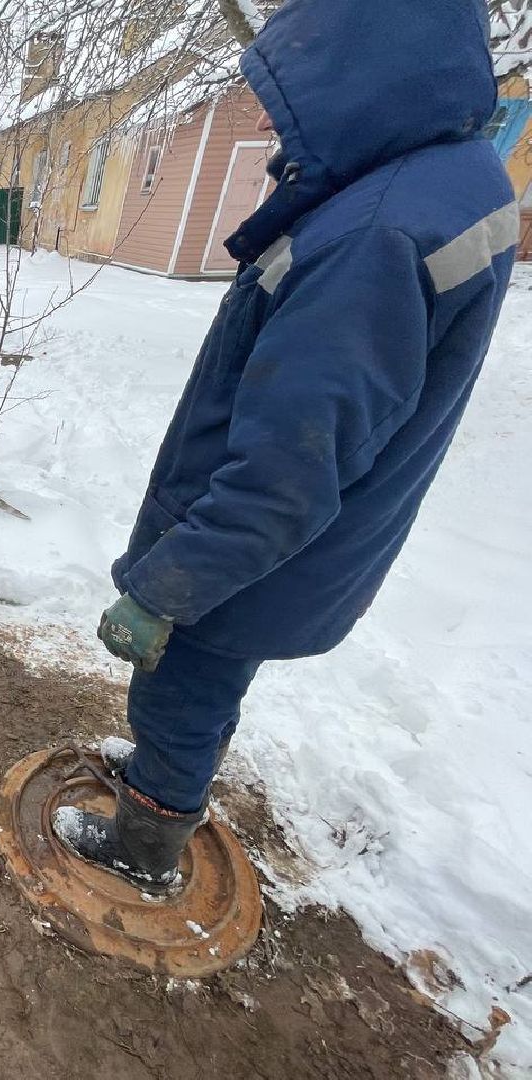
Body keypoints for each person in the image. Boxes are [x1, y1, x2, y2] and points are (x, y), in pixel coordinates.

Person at [56, 0, 518, 892]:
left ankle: (145, 842)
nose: (269, 117)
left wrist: (163, 587)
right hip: (305, 550)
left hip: (255, 552)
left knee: (183, 678)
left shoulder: (375, 236)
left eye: (290, 91)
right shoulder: (445, 177)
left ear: (363, 73)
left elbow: (287, 472)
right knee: (207, 683)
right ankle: (164, 769)